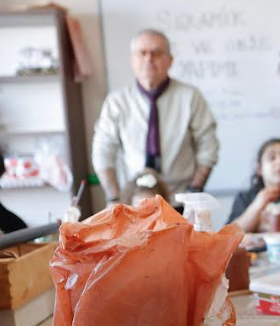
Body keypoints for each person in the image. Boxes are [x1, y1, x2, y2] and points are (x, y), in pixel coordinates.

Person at [92, 29, 219, 205]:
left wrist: (194, 191)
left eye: (157, 53)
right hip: (133, 204)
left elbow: (208, 146)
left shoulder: (190, 97)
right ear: (132, 60)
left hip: (179, 201)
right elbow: (103, 151)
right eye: (142, 53)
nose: (149, 58)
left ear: (170, 60)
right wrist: (114, 198)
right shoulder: (117, 102)